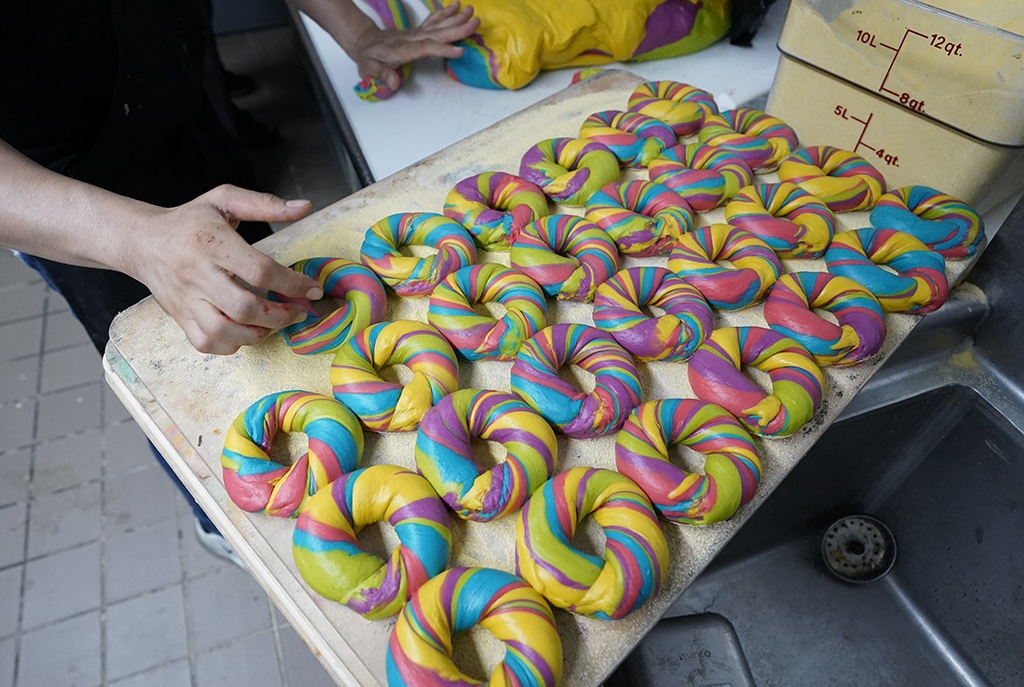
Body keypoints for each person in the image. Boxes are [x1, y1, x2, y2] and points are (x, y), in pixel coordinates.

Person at [0, 0, 478, 565]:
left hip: (181, 112)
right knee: (190, 386)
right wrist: (136, 241)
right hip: (63, 197)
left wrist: (356, 29)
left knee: (264, 301)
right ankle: (219, 524)